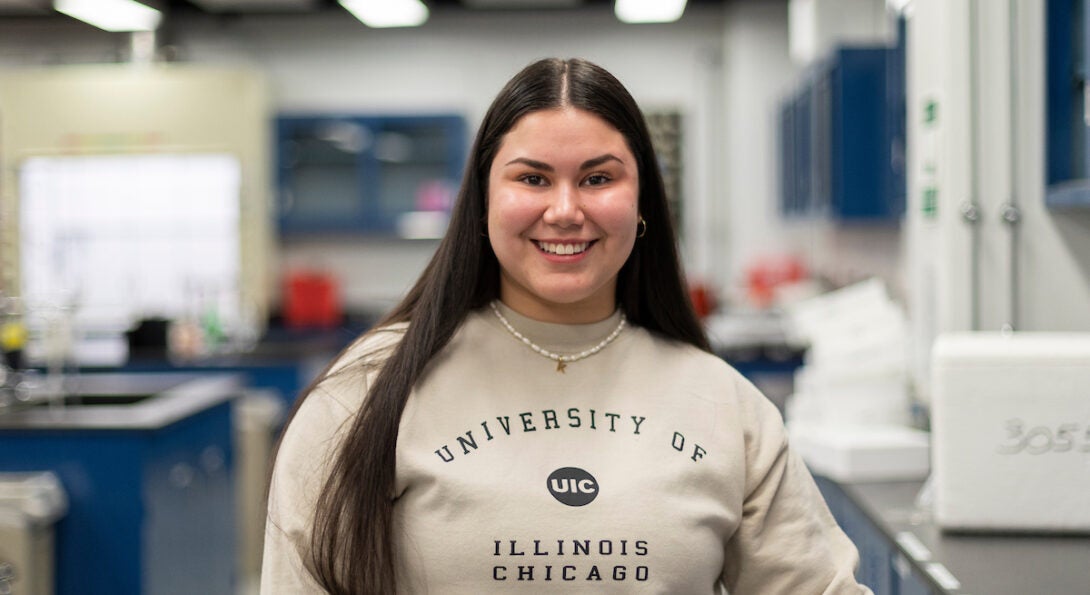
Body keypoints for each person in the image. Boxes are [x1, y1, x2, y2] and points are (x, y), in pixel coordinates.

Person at [262, 57, 871, 594]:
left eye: (598, 179)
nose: (564, 210)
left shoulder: (724, 405)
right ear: (482, 200)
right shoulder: (368, 390)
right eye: (532, 178)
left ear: (641, 205)